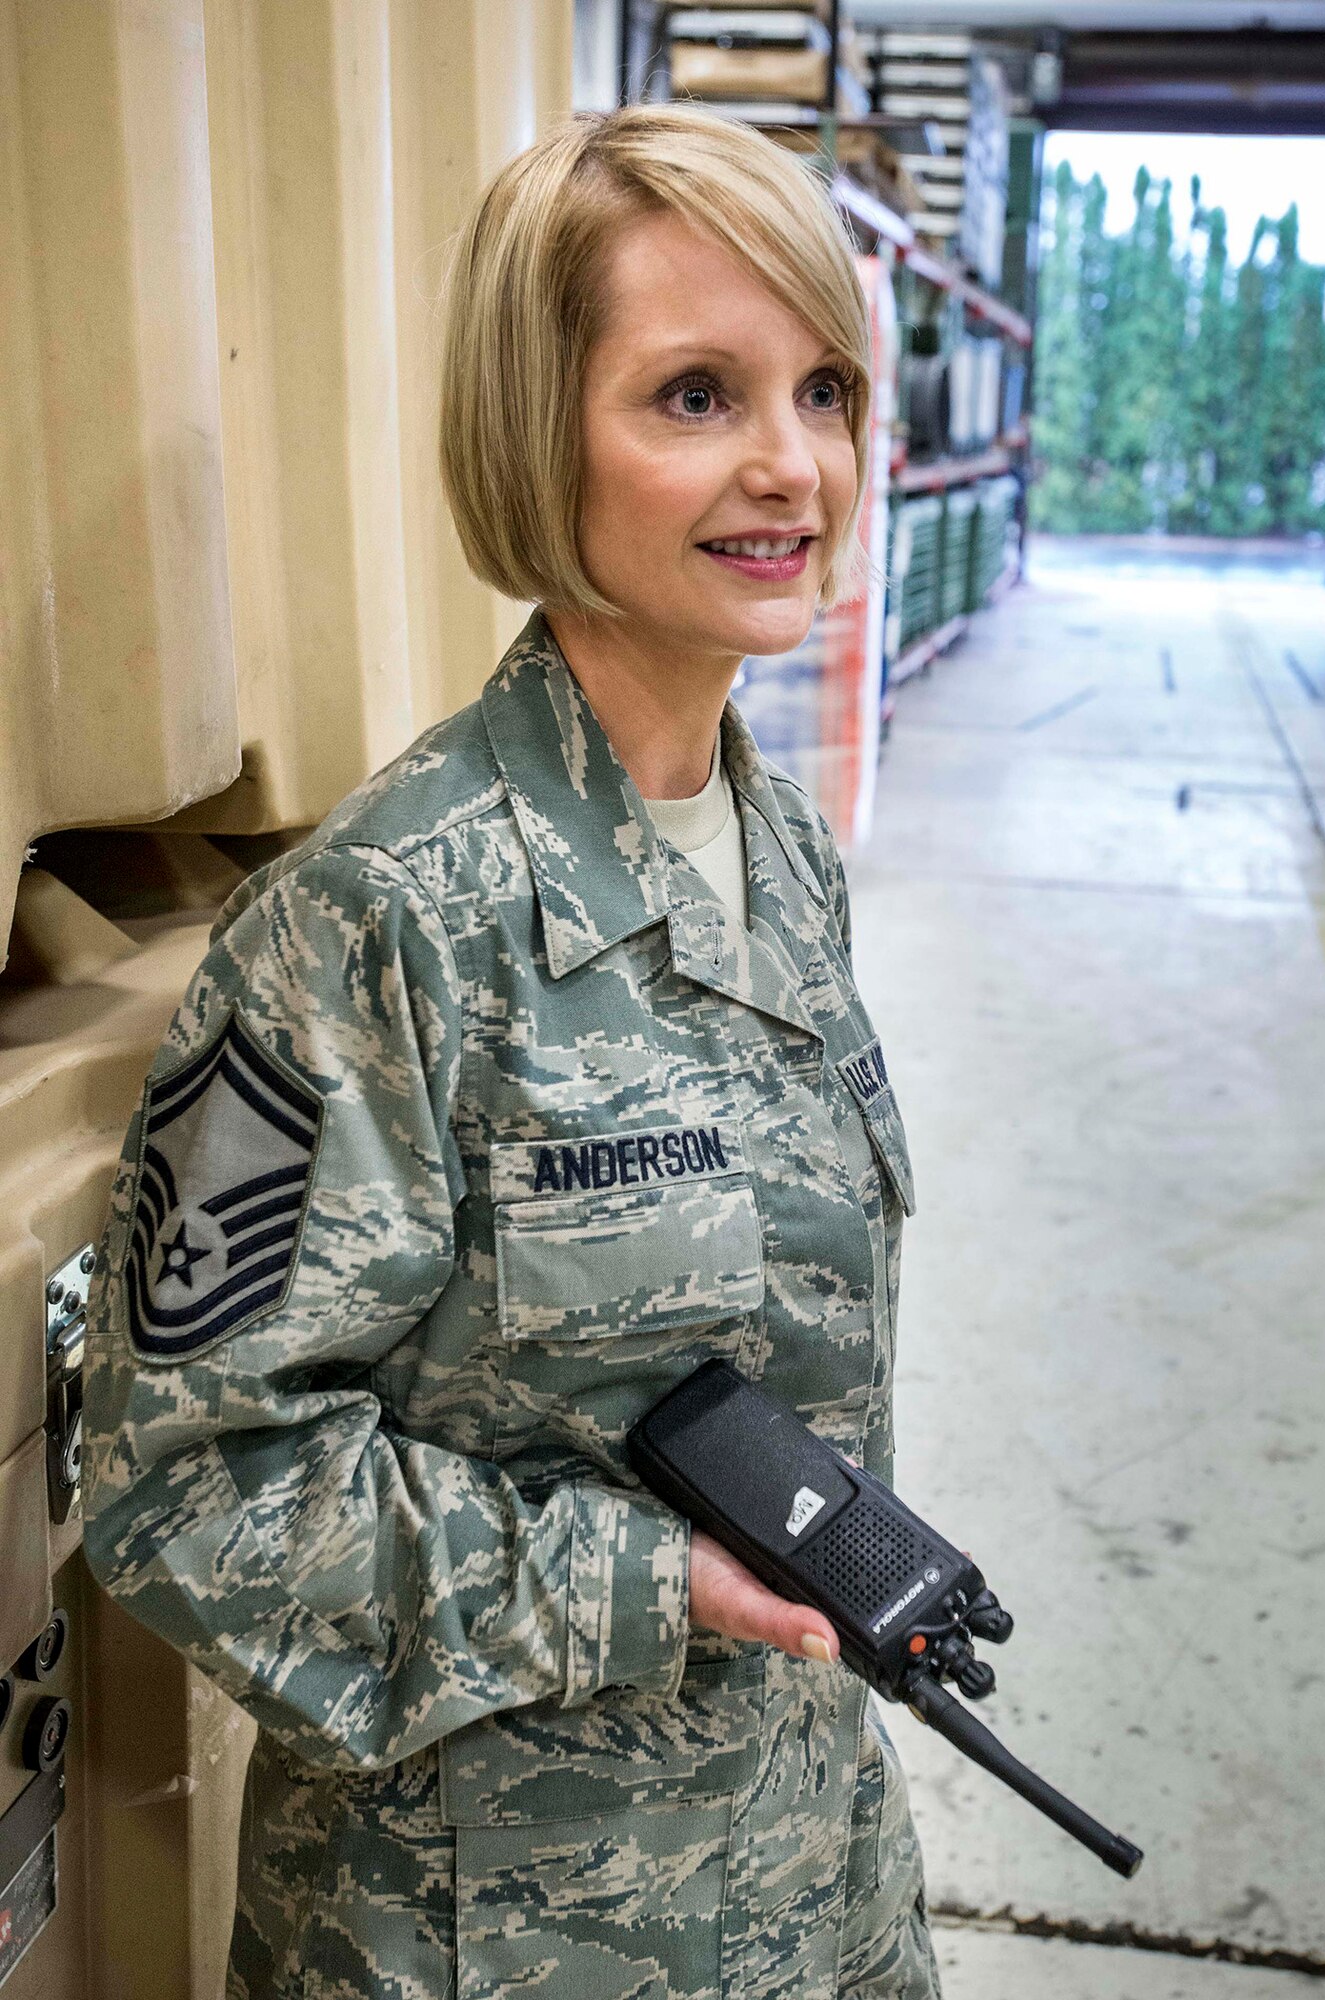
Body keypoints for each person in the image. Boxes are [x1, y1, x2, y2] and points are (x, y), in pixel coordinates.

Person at [82, 103, 936, 2000]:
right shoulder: (377, 922)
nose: (794, 466)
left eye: (825, 390)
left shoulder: (778, 845)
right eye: (696, 394)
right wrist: (650, 1584)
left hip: (810, 1882)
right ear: (533, 432)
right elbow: (188, 1486)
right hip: (495, 1940)